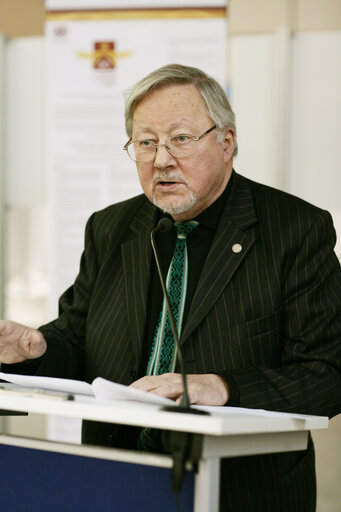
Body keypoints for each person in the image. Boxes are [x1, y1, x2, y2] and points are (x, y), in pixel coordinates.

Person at [0, 64, 340, 511]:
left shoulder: (294, 229)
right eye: (146, 143)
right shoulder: (111, 227)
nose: (161, 159)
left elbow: (327, 373)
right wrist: (36, 347)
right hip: (115, 483)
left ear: (227, 141)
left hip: (240, 491)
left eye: (180, 139)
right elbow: (79, 341)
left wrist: (223, 386)